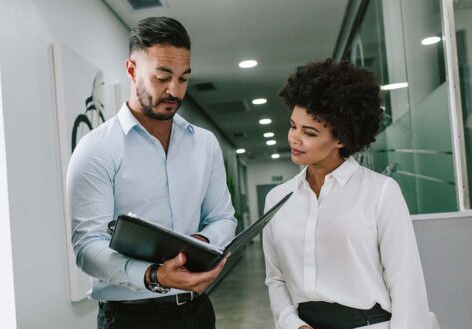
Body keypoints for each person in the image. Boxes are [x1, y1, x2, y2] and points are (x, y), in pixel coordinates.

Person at [67, 16, 237, 329]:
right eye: (162, 77)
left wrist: (197, 246)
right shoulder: (96, 149)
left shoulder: (205, 144)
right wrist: (154, 275)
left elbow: (224, 218)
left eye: (184, 79)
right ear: (132, 70)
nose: (175, 90)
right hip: (131, 318)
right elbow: (87, 248)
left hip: (197, 311)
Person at [262, 59, 432, 329]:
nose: (294, 138)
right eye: (293, 126)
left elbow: (406, 283)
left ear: (341, 137)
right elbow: (276, 279)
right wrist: (292, 324)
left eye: (309, 132)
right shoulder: (277, 200)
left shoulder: (380, 192)